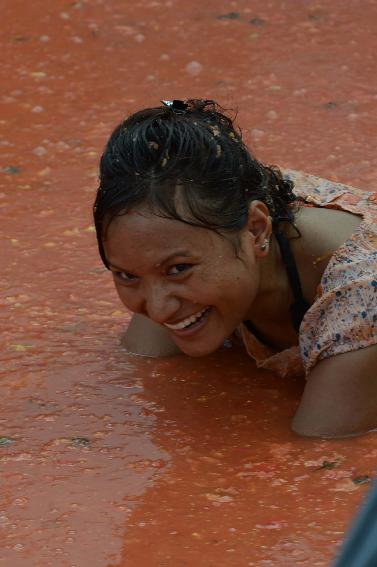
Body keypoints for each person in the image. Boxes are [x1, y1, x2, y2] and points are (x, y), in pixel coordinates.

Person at [93, 98, 377, 438]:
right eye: (126, 275)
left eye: (179, 269)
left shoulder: (361, 301)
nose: (157, 308)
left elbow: (319, 458)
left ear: (256, 230)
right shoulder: (182, 231)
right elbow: (144, 365)